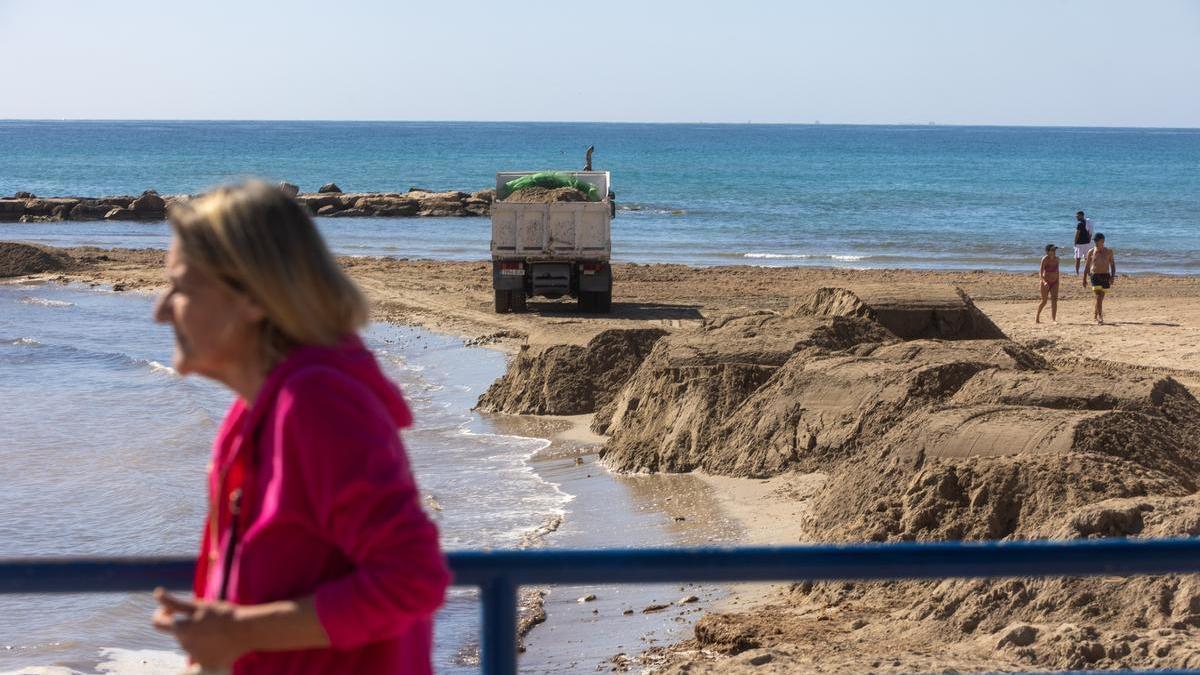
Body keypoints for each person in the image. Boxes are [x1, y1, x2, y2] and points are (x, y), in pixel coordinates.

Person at [149, 181, 449, 674]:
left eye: (181, 287)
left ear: (252, 296)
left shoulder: (316, 405)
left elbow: (412, 579)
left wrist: (237, 633)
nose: (161, 310)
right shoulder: (253, 413)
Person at [1083, 232, 1116, 324]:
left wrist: (1113, 276)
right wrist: (1084, 278)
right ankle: (1100, 316)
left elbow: (1112, 265)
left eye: (1097, 241)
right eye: (1095, 241)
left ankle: (1095, 315)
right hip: (1095, 276)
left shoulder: (1109, 251)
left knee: (1101, 298)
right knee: (1098, 297)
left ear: (1103, 241)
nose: (1096, 242)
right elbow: (1087, 266)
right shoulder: (1091, 251)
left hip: (1105, 276)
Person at [1036, 243, 1060, 324]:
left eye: (1055, 250)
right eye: (1052, 250)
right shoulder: (1045, 259)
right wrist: (1044, 282)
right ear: (1047, 251)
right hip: (1045, 282)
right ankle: (1037, 316)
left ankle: (1054, 319)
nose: (1054, 251)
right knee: (1044, 301)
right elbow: (1040, 272)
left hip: (1055, 282)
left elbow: (1057, 271)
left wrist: (1058, 281)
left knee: (1054, 300)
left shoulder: (1057, 259)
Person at [1073, 210, 1094, 275]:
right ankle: (1088, 272)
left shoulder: (1080, 224)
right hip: (1087, 243)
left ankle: (1077, 273)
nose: (1076, 217)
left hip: (1080, 244)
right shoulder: (1087, 223)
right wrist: (1089, 240)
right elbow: (1089, 233)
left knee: (1078, 258)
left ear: (1082, 216)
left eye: (1077, 216)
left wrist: (1075, 242)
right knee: (1087, 259)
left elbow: (1077, 234)